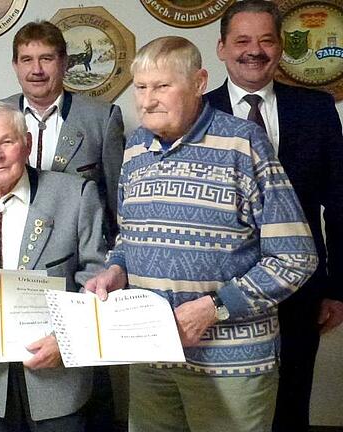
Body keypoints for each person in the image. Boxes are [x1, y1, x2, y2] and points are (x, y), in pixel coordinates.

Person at [85, 36, 318, 432]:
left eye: (162, 86)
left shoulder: (243, 143)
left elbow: (296, 258)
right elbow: (128, 236)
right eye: (141, 87)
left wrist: (216, 307)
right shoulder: (135, 148)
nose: (147, 100)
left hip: (232, 366)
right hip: (151, 360)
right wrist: (116, 270)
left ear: (198, 82)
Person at [204, 2, 343, 429]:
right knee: (222, 409)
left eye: (266, 40)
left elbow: (339, 203)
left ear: (281, 48)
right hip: (220, 292)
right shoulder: (196, 112)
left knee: (291, 400)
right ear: (222, 47)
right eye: (242, 40)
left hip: (301, 290)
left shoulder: (317, 109)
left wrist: (338, 288)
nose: (255, 51)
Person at [0, 101, 107, 431]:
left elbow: (96, 275)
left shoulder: (76, 194)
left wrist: (69, 340)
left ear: (26, 144)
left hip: (58, 373)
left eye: (7, 142)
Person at [0, 23, 124, 426]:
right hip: (14, 283)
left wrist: (107, 269)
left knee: (82, 394)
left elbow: (117, 202)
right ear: (16, 66)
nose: (36, 69)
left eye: (46, 58)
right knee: (18, 385)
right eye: (27, 60)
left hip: (79, 277)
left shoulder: (100, 118)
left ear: (64, 63)